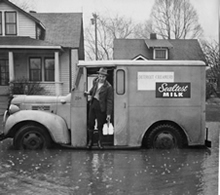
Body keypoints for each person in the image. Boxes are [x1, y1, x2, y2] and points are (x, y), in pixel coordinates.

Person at [84, 68, 113, 149]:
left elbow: (109, 101)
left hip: (101, 107)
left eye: (103, 77)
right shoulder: (95, 82)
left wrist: (108, 114)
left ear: (105, 77)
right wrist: (88, 93)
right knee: (90, 123)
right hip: (93, 104)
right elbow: (92, 90)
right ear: (98, 76)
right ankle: (90, 142)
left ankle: (100, 143)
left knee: (100, 125)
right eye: (100, 76)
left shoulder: (108, 87)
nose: (101, 78)